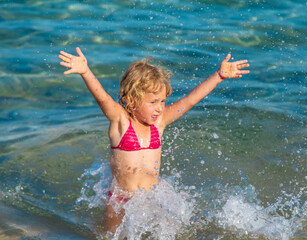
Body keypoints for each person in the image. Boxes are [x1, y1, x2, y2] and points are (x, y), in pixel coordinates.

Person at [58, 47, 250, 232]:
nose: (159, 108)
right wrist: (85, 71)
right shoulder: (121, 122)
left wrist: (219, 76)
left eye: (163, 101)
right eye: (153, 102)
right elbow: (103, 99)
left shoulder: (159, 123)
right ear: (131, 100)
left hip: (153, 198)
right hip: (121, 201)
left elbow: (190, 100)